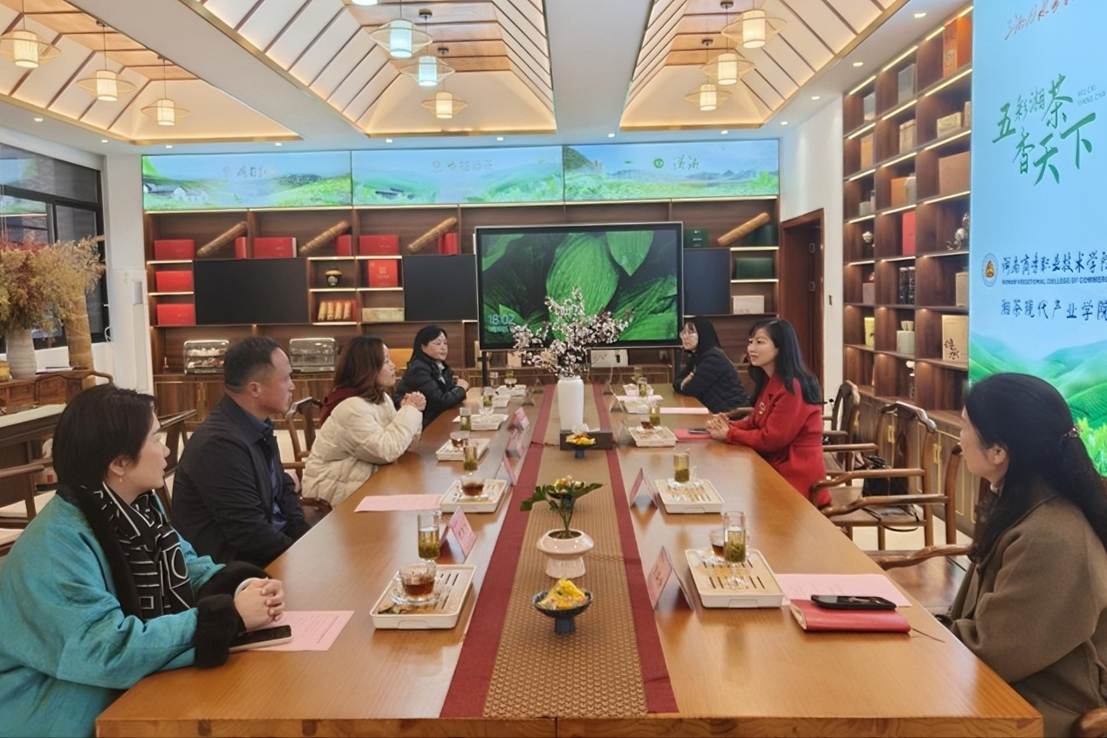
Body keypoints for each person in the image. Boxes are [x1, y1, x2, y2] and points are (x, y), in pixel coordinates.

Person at [0, 385, 284, 738]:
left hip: (125, 693)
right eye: (155, 439)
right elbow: (106, 650)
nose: (166, 450)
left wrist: (244, 588)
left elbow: (187, 565)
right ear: (119, 462)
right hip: (54, 714)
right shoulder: (56, 546)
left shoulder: (134, 509)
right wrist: (228, 616)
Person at [949, 373, 1107, 737]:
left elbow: (993, 653)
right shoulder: (1021, 506)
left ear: (998, 451)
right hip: (1008, 690)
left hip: (1038, 710)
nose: (959, 438)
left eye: (965, 427)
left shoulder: (1052, 537)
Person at [172, 337, 310, 567]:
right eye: (286, 378)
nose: (292, 386)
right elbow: (249, 533)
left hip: (273, 551)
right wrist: (303, 557)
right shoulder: (219, 445)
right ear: (255, 388)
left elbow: (283, 490)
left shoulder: (258, 424)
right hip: (239, 569)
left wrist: (306, 539)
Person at [706, 318, 827, 505]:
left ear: (780, 348)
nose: (751, 348)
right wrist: (727, 425)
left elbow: (771, 440)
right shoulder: (772, 380)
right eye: (750, 342)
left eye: (759, 342)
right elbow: (754, 421)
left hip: (794, 478)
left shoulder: (792, 387)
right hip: (772, 466)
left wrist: (729, 434)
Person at [302, 337, 426, 506]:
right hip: (333, 492)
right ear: (367, 368)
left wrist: (408, 412)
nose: (393, 366)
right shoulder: (351, 407)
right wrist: (409, 411)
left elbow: (403, 446)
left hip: (363, 481)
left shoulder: (382, 398)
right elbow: (386, 451)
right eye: (386, 361)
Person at [394, 325, 470, 427]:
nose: (443, 347)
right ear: (423, 347)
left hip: (437, 419)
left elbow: (449, 393)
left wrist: (457, 390)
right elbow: (441, 402)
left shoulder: (439, 365)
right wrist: (461, 389)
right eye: (438, 343)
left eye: (445, 343)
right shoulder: (418, 369)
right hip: (421, 424)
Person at [672, 316, 751, 413]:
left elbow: (691, 389)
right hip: (716, 412)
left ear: (703, 334)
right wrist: (683, 383)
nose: (685, 337)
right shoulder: (697, 356)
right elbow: (676, 382)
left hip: (732, 413)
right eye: (684, 333)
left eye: (691, 332)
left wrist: (684, 383)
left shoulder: (713, 358)